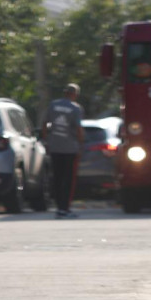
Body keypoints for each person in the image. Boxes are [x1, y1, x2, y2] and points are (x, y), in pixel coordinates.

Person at [42, 83, 84, 219]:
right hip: (70, 149)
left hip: (55, 147)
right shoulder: (75, 108)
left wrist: (46, 140)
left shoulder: (53, 105)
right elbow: (78, 129)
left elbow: (44, 124)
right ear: (75, 94)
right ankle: (65, 208)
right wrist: (81, 144)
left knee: (57, 178)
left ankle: (59, 208)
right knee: (68, 180)